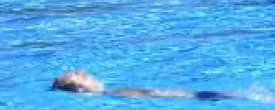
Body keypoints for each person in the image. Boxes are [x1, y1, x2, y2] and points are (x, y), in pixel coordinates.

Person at [51, 70, 237, 101]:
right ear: (82, 89)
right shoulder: (116, 94)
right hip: (187, 98)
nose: (91, 75)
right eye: (84, 76)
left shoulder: (114, 94)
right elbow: (152, 94)